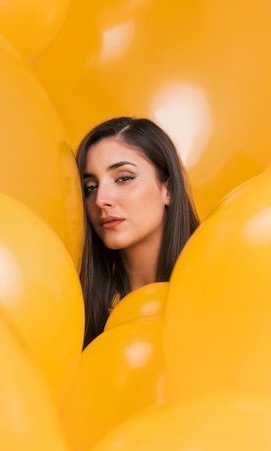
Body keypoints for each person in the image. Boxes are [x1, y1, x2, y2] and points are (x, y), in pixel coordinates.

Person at [76, 116, 199, 348]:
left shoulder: (213, 289)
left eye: (124, 178)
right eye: (90, 187)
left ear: (169, 190)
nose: (101, 200)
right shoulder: (80, 310)